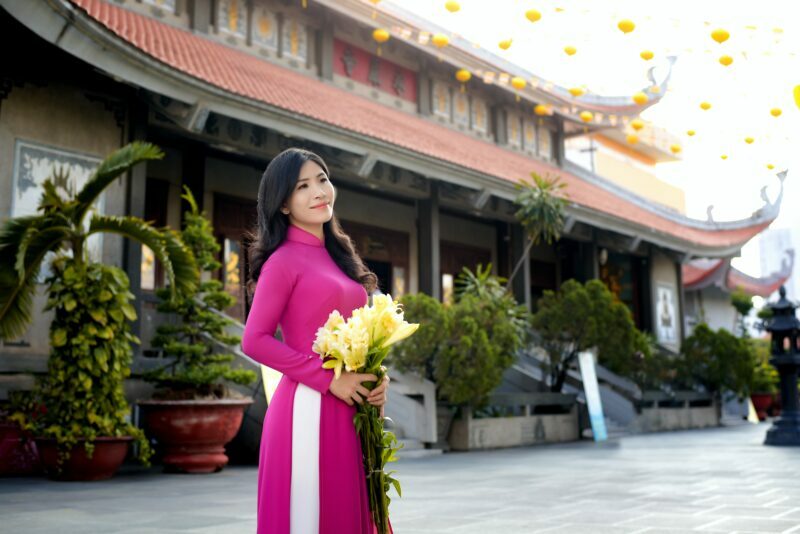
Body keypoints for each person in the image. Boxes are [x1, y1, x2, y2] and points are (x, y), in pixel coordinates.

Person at [241, 148, 391, 534]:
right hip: (308, 409)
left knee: (357, 515)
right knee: (315, 518)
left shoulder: (339, 257)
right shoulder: (283, 261)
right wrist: (330, 380)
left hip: (353, 410)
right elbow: (254, 339)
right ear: (284, 205)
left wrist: (377, 377)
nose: (318, 191)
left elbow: (359, 333)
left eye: (322, 179)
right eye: (302, 186)